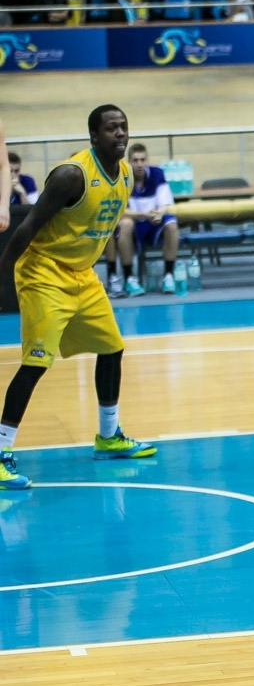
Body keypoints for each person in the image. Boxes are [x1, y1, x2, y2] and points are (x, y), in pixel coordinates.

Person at [0, 105, 157, 491]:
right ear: (93, 136)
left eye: (123, 127)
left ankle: (108, 437)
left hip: (81, 275)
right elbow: (28, 226)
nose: (120, 134)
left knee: (112, 348)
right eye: (111, 128)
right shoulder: (72, 175)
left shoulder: (124, 174)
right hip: (44, 272)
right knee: (36, 363)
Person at [102, 144, 180, 297]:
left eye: (142, 160)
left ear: (147, 160)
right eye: (135, 160)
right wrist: (143, 215)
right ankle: (129, 278)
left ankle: (168, 275)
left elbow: (166, 204)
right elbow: (120, 210)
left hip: (153, 222)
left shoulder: (158, 174)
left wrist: (159, 213)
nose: (139, 164)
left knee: (171, 223)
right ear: (128, 162)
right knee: (125, 223)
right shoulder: (121, 177)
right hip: (134, 222)